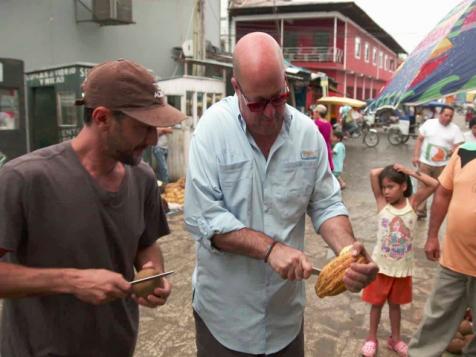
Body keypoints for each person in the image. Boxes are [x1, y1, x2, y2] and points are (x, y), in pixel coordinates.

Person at [184, 32, 379, 357]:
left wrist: (348, 253)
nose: (271, 113)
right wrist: (270, 249)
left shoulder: (308, 136)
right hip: (225, 319)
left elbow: (326, 203)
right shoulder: (211, 132)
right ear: (236, 88)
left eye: (279, 98)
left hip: (284, 318)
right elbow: (204, 218)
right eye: (258, 103)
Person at [0, 59, 185, 357]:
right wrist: (71, 281)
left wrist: (153, 273)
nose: (153, 139)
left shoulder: (143, 178)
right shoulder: (24, 179)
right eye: (143, 127)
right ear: (102, 118)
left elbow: (145, 243)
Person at [360, 164, 438, 357]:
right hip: (380, 268)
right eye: (384, 187)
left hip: (402, 269)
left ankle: (395, 339)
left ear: (403, 186)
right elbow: (373, 172)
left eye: (391, 187)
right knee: (376, 305)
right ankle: (371, 338)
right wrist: (392, 168)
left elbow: (433, 184)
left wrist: (408, 171)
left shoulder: (412, 204)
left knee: (395, 306)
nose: (385, 191)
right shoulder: (382, 204)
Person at [409, 143, 476, 356]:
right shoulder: (465, 152)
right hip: (455, 259)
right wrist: (431, 236)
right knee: (437, 318)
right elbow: (443, 194)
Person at [411, 105, 464, 218]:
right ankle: (420, 211)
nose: (448, 118)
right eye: (446, 115)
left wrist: (453, 151)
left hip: (443, 166)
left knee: (440, 190)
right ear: (440, 114)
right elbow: (419, 140)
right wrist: (416, 155)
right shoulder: (429, 123)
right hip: (425, 163)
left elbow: (457, 146)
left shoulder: (455, 129)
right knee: (423, 187)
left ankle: (436, 212)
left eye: (451, 116)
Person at [312, 103, 334, 171]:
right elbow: (331, 138)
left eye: (314, 112)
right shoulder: (328, 124)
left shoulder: (315, 123)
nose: (313, 114)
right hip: (327, 148)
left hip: (317, 149)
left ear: (317, 113)